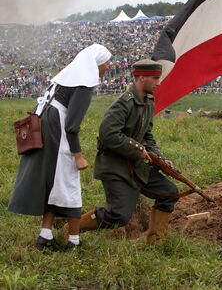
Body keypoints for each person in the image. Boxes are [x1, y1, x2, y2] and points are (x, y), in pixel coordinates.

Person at [8, 43, 112, 251]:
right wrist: (78, 155)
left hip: (46, 127)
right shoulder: (83, 83)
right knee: (68, 183)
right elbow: (72, 125)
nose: (108, 66)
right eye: (106, 62)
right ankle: (74, 240)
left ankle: (45, 235)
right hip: (58, 132)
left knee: (53, 184)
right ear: (96, 64)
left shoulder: (64, 78)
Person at [62, 59, 179, 244]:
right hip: (115, 167)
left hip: (137, 166)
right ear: (141, 78)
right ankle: (69, 230)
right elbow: (108, 134)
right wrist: (138, 149)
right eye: (155, 78)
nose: (159, 82)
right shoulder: (123, 104)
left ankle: (155, 242)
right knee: (118, 216)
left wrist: (160, 158)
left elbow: (147, 135)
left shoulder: (149, 101)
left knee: (169, 192)